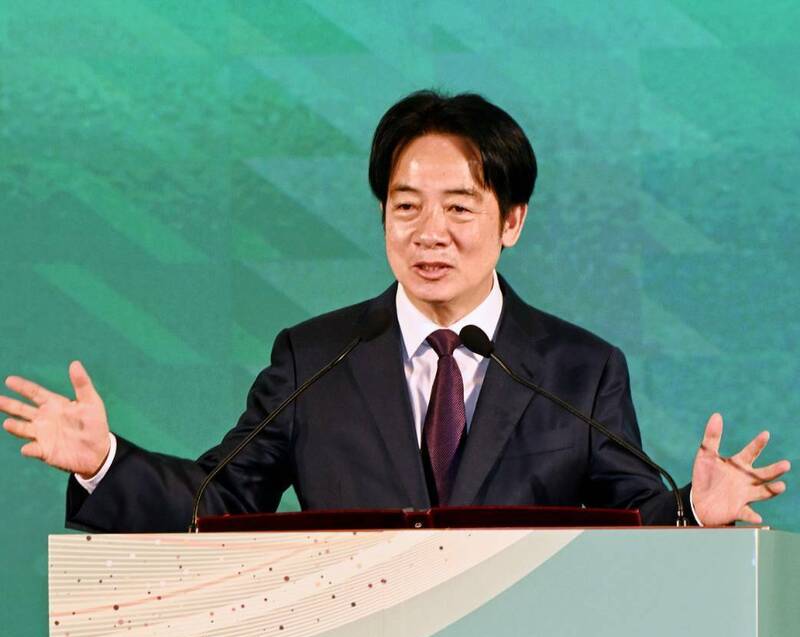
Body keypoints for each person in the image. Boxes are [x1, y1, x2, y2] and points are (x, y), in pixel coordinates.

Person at [0, 91, 790, 529]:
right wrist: (105, 462)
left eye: (460, 208)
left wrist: (693, 510)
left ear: (512, 221)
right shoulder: (316, 358)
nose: (429, 233)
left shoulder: (578, 370)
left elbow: (634, 523)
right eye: (406, 206)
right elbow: (219, 501)